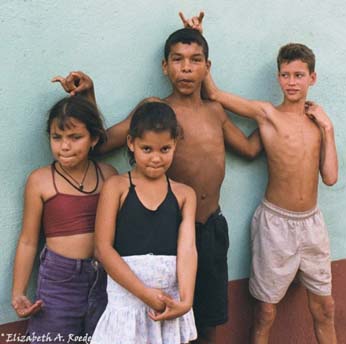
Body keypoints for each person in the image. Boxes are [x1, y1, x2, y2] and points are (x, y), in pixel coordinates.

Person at [54, 13, 261, 343]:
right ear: (165, 67)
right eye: (177, 60)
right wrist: (87, 96)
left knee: (206, 321)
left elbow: (250, 150)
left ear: (207, 67)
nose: (186, 68)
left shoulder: (215, 112)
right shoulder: (154, 111)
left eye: (195, 61)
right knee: (162, 320)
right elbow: (104, 143)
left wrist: (276, 117)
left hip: (210, 230)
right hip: (170, 232)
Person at [203, 42, 339, 343]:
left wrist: (328, 128)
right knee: (265, 312)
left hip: (312, 224)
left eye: (299, 75)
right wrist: (201, 43)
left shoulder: (319, 124)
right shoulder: (267, 114)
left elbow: (330, 177)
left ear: (312, 78)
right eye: (286, 75)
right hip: (275, 223)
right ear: (278, 78)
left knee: (325, 308)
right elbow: (215, 94)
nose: (292, 82)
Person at [11, 84, 117, 343]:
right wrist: (18, 292)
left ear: (93, 139)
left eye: (75, 137)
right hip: (59, 283)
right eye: (57, 138)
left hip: (105, 280)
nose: (64, 146)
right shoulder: (41, 180)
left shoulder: (108, 176)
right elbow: (28, 240)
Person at [92, 101, 197, 344]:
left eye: (165, 149)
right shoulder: (116, 187)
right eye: (147, 149)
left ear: (175, 144)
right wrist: (144, 294)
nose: (156, 158)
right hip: (127, 303)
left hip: (169, 302)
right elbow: (102, 249)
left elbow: (188, 248)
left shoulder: (184, 194)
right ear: (131, 143)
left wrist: (186, 301)